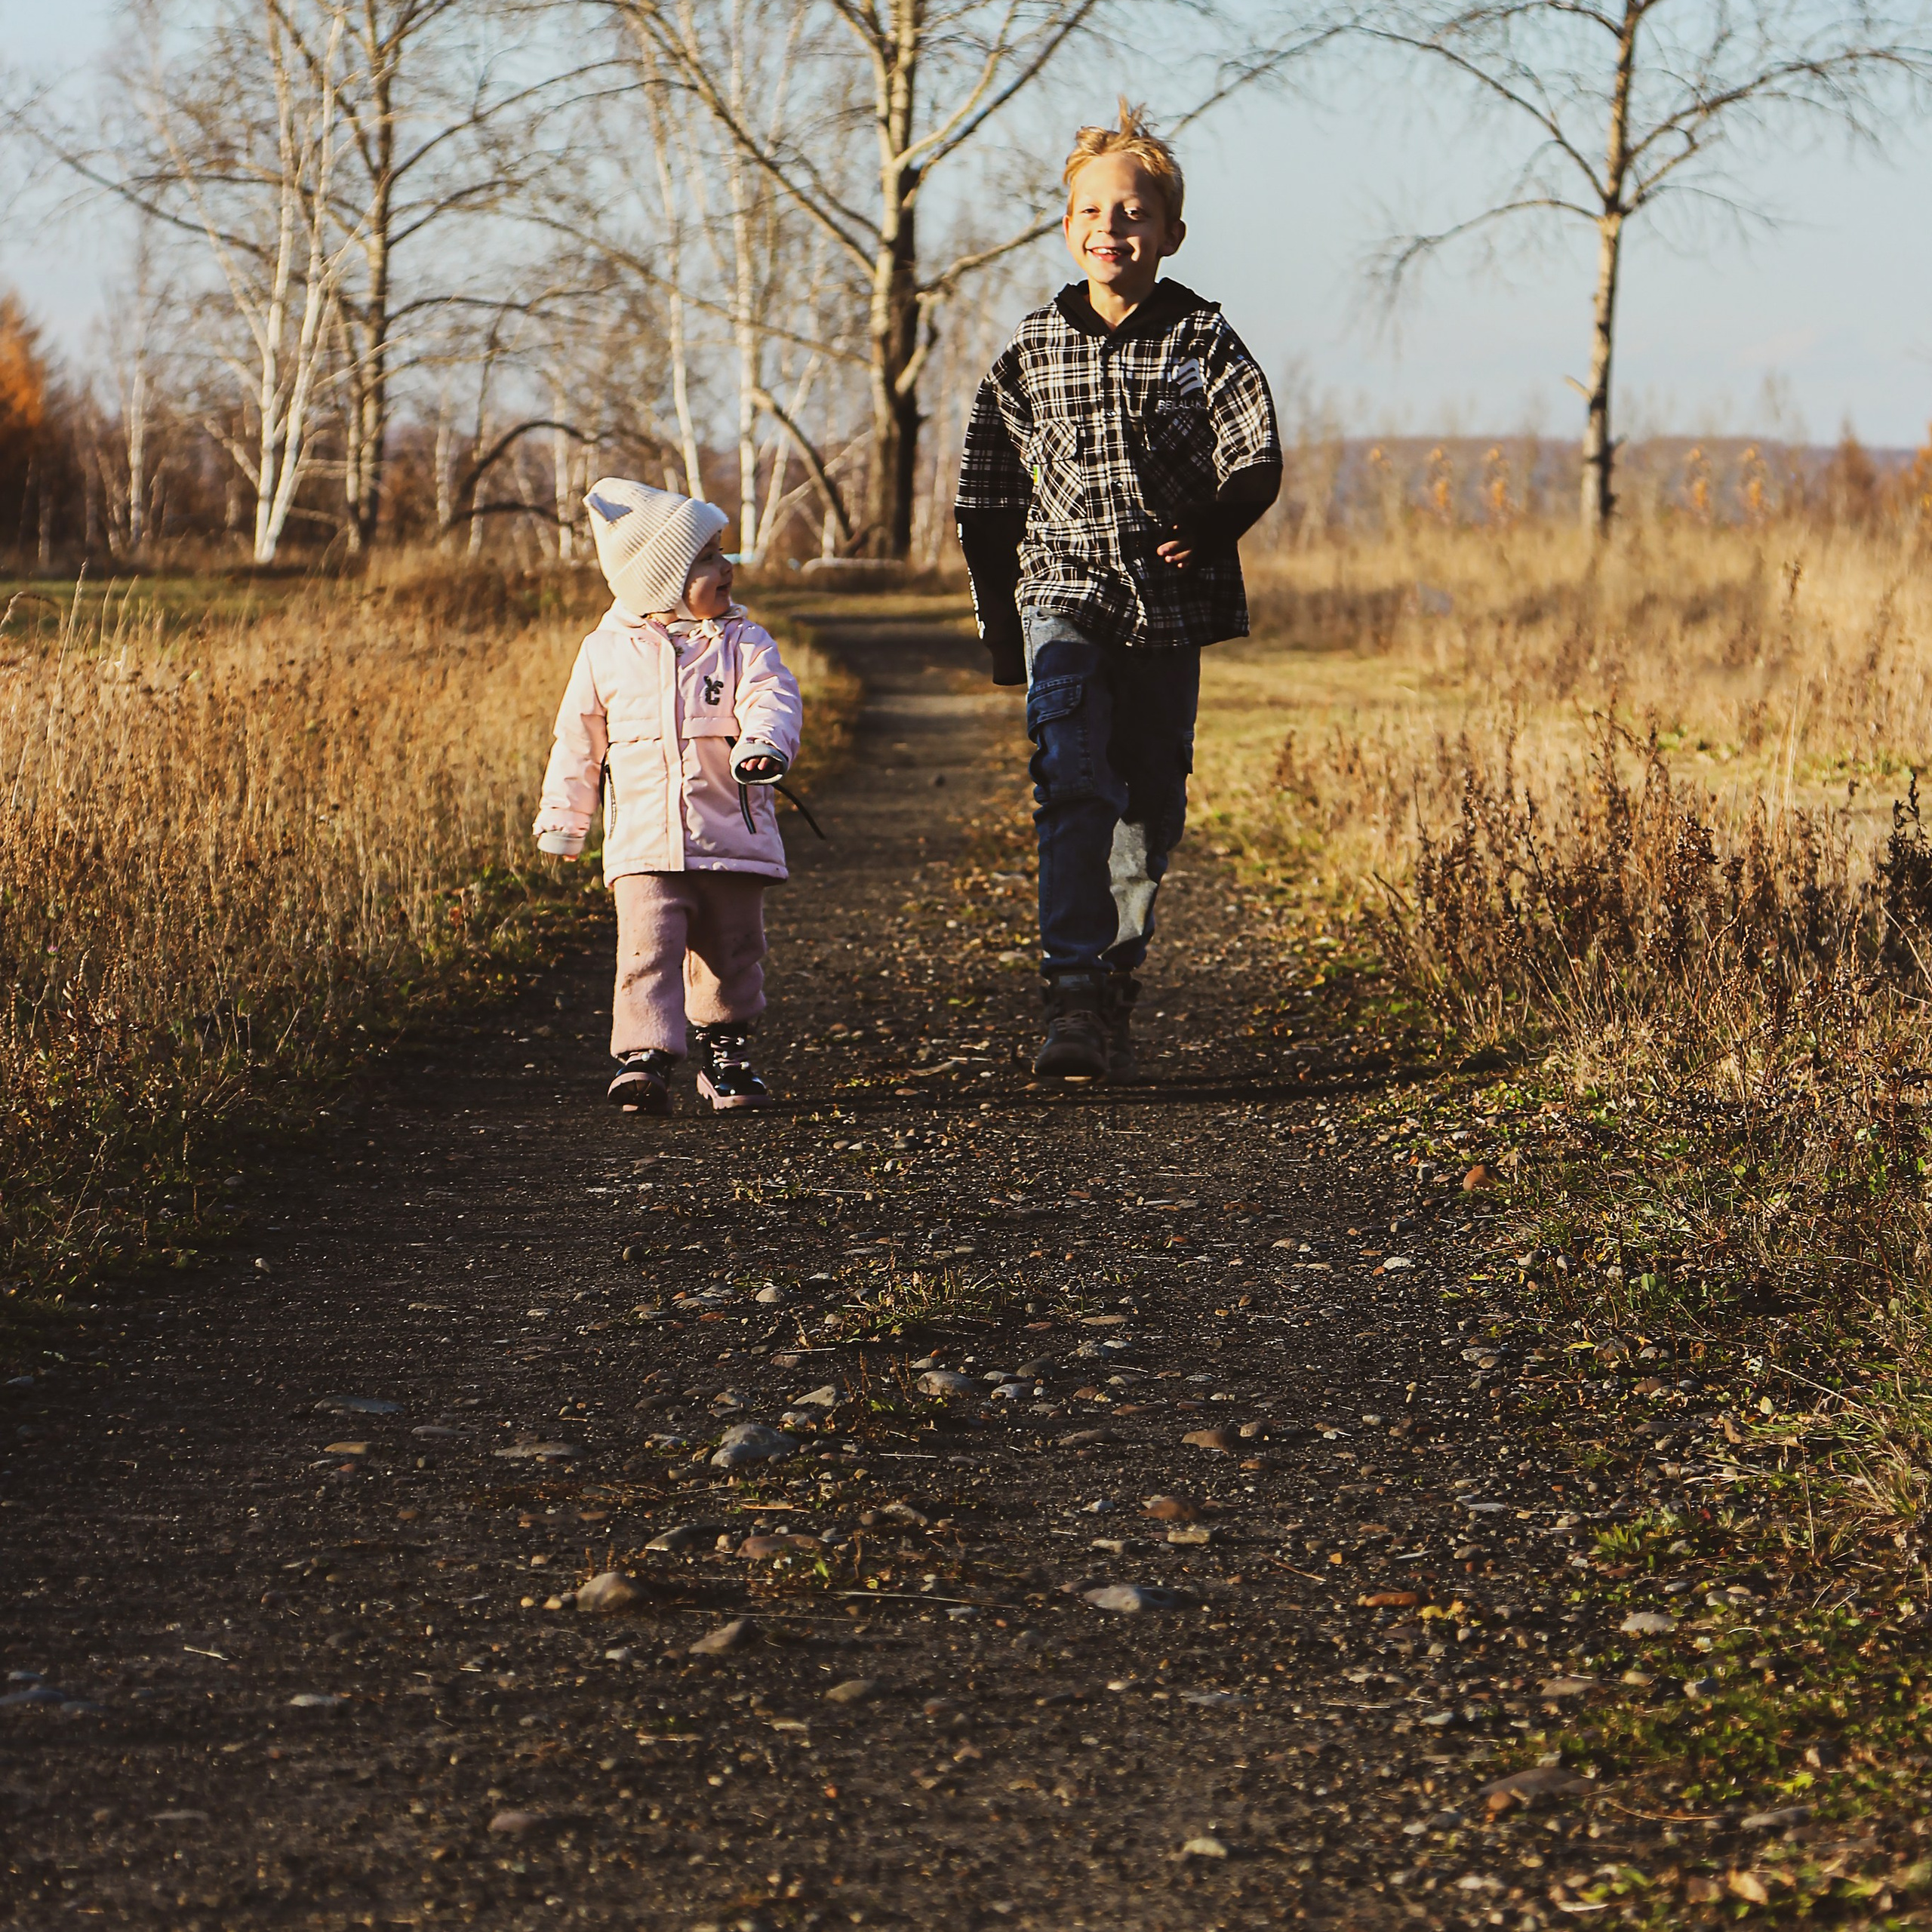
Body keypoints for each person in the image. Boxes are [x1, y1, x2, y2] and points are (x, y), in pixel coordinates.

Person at [953, 100, 1281, 1081]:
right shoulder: (1028, 351)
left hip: (1166, 606)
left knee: (1151, 799)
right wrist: (1002, 633)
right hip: (1060, 597)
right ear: (1067, 227)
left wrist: (1216, 524)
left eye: (1134, 213)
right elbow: (986, 496)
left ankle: (1119, 968)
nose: (1112, 228)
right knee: (1071, 779)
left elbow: (1255, 456)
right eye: (1093, 211)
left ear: (1169, 232)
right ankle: (1074, 993)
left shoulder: (1204, 342)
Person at [534, 478, 802, 1114]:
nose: (726, 567)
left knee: (733, 951)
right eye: (708, 557)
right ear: (663, 580)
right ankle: (645, 1056)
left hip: (729, 833)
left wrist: (762, 744)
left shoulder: (743, 642)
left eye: (721, 552)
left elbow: (775, 699)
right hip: (644, 843)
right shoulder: (604, 654)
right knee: (645, 950)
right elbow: (577, 740)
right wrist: (565, 820)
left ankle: (726, 1050)